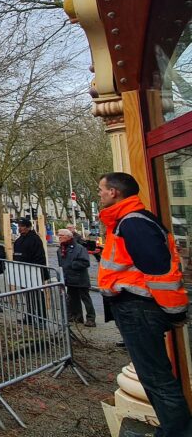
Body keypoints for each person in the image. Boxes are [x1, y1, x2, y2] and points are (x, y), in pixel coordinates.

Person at [97, 172, 190, 436]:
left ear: (114, 192)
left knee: (157, 379)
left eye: (101, 189)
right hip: (137, 308)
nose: (99, 194)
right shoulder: (129, 221)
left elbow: (160, 273)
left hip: (139, 309)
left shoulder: (132, 223)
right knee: (153, 377)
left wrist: (174, 311)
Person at [12, 217, 49, 325]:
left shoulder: (35, 239)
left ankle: (41, 319)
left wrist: (36, 270)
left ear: (28, 227)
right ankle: (29, 316)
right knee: (27, 296)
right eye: (19, 226)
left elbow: (39, 257)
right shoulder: (19, 240)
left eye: (22, 226)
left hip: (34, 272)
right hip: (23, 272)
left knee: (37, 296)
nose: (20, 228)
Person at [57, 228, 96, 327]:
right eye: (59, 236)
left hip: (80, 278)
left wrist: (71, 265)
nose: (59, 238)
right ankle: (78, 317)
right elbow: (61, 264)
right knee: (73, 299)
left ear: (68, 237)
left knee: (85, 298)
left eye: (61, 236)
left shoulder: (79, 248)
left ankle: (91, 318)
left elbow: (85, 262)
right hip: (69, 278)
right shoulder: (60, 249)